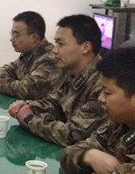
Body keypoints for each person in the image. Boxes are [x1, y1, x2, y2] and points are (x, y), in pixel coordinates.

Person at [8, 14, 106, 146]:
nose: (54, 50)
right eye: (56, 43)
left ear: (86, 47)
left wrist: (30, 119)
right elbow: (55, 104)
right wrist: (28, 106)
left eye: (61, 44)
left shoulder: (103, 84)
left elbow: (73, 135)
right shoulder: (73, 72)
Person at [0, 11, 62, 99]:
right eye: (12, 34)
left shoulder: (51, 59)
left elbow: (29, 89)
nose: (12, 39)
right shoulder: (28, 52)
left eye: (16, 35)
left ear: (34, 38)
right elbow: (11, 69)